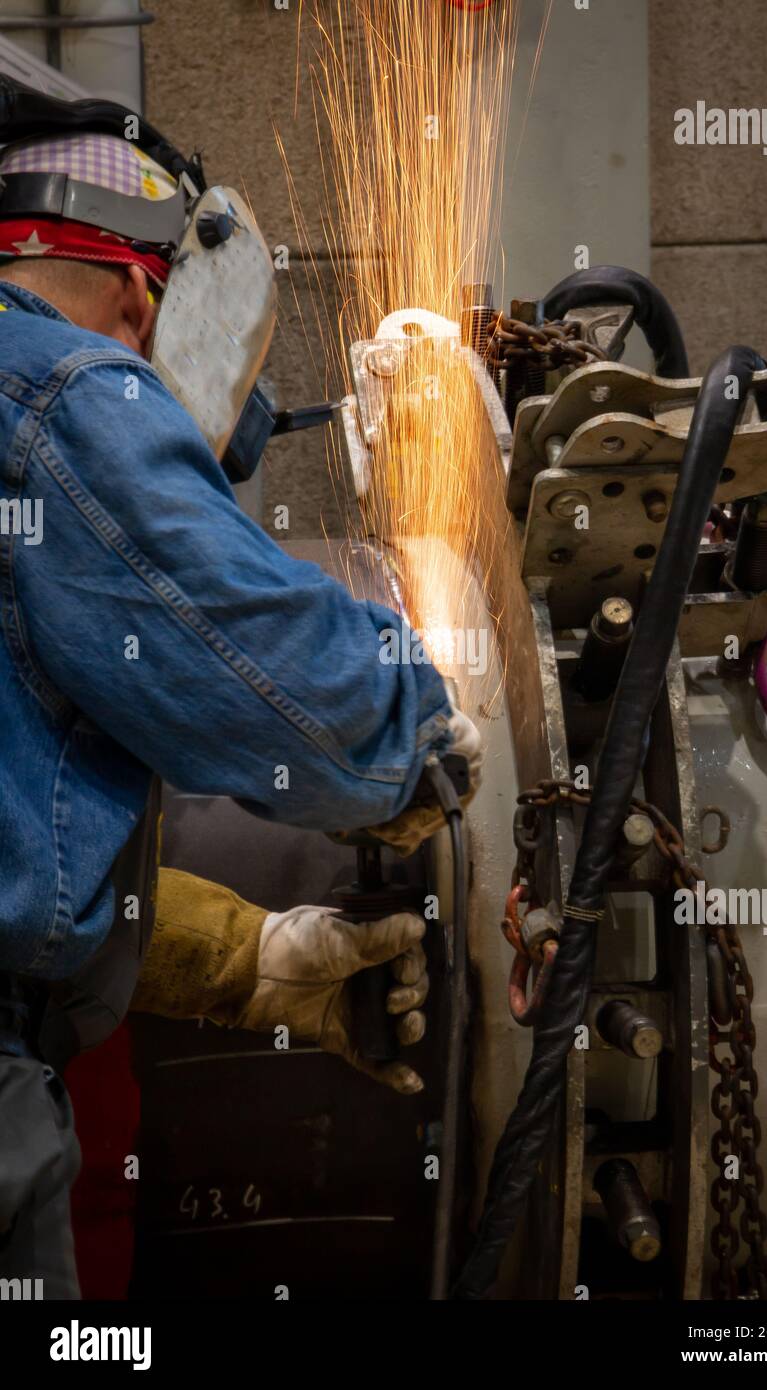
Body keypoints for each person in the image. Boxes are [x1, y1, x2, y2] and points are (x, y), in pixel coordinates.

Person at [0, 117, 481, 1297]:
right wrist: (410, 735)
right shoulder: (55, 383)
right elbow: (260, 670)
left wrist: (252, 959)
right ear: (140, 292)